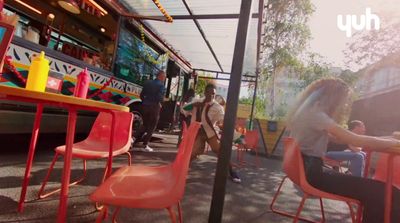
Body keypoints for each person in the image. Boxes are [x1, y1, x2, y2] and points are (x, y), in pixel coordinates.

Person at [287, 78, 400, 223]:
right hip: (313, 173)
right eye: (344, 101)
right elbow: (355, 140)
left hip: (307, 169)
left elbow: (341, 138)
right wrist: (394, 142)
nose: (345, 105)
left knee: (380, 193)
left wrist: (388, 138)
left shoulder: (306, 112)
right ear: (333, 98)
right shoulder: (318, 115)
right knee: (387, 193)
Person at [181, 84, 241, 183]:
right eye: (209, 93)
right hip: (198, 133)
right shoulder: (197, 101)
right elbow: (184, 110)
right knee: (193, 152)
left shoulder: (217, 107)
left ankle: (232, 172)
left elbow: (222, 120)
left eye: (213, 94)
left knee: (221, 152)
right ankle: (181, 170)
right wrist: (194, 105)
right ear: (205, 92)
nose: (211, 96)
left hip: (210, 133)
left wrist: (230, 130)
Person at [134, 70, 166, 152]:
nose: (164, 78)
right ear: (161, 76)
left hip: (145, 106)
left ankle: (133, 139)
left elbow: (141, 95)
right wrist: (162, 101)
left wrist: (145, 102)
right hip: (154, 108)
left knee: (144, 124)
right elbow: (159, 97)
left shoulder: (147, 83)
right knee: (152, 126)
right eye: (164, 77)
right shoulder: (161, 86)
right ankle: (145, 145)